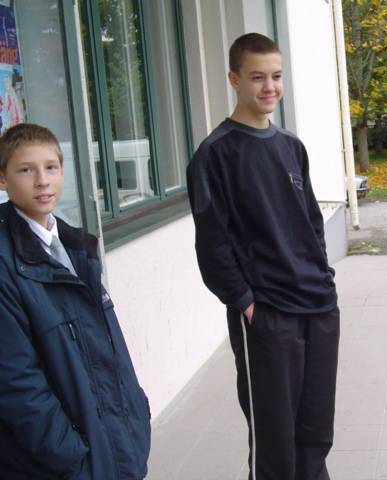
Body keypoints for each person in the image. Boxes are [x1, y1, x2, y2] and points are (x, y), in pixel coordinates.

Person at [186, 33, 340, 480]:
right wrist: (246, 302)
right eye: (257, 77)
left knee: (315, 433)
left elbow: (311, 223)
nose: (269, 87)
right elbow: (211, 242)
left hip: (318, 307)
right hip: (268, 314)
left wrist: (325, 280)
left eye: (276, 76)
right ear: (234, 79)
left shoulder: (291, 146)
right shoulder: (215, 153)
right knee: (275, 440)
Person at [0, 123, 151, 479]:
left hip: (114, 445)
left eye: (51, 167)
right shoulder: (7, 263)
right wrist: (71, 458)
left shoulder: (77, 247)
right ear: (3, 179)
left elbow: (108, 355)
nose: (42, 181)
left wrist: (137, 417)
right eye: (26, 170)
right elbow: (17, 384)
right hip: (64, 464)